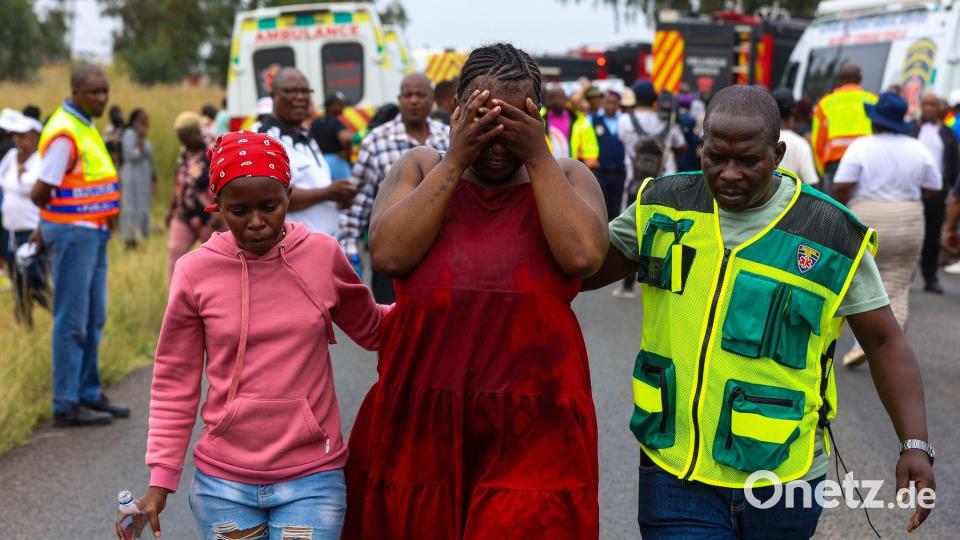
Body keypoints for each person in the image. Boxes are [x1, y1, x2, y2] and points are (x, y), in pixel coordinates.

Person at [584, 85, 935, 538]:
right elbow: (582, 269)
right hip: (674, 472)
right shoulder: (662, 205)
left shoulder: (830, 234)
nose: (729, 174)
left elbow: (885, 342)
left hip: (784, 482)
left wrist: (915, 445)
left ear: (778, 153)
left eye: (748, 161)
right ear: (701, 146)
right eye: (715, 157)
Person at [343, 42, 607, 540]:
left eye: (513, 119)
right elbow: (392, 254)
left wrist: (538, 154)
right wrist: (457, 157)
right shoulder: (420, 167)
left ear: (537, 117)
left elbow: (582, 256)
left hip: (535, 417)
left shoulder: (566, 175)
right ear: (457, 112)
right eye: (483, 118)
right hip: (422, 410)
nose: (497, 138)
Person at [133, 131, 389, 540]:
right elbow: (174, 381)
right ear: (219, 207)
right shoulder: (194, 272)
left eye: (269, 207)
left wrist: (438, 303)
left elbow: (375, 329)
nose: (255, 223)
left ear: (288, 195)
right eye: (238, 211)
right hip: (222, 485)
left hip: (313, 478)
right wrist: (161, 480)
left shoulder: (322, 255)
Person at [30, 63, 129, 427]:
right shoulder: (65, 133)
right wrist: (54, 221)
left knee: (93, 316)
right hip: (73, 233)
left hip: (91, 231)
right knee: (71, 320)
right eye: (94, 92)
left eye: (105, 91)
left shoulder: (83, 123)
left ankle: (88, 391)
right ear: (76, 91)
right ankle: (66, 403)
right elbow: (40, 192)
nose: (102, 98)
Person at [833, 92, 942, 366]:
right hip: (908, 218)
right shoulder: (918, 148)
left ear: (875, 121)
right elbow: (933, 186)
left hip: (867, 215)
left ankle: (863, 341)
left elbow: (842, 184)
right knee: (898, 282)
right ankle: (886, 339)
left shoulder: (862, 146)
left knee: (859, 280)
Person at [338, 73, 450, 303]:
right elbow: (361, 199)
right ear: (399, 99)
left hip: (441, 252)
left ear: (432, 100)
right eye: (408, 95)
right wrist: (349, 251)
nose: (414, 100)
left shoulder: (448, 136)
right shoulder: (377, 140)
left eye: (420, 95)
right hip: (392, 250)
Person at [259, 67, 359, 236]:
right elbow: (271, 197)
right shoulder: (265, 140)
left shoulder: (306, 135)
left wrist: (339, 197)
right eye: (290, 91)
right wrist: (327, 193)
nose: (300, 97)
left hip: (328, 244)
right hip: (297, 251)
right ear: (273, 95)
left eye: (305, 91)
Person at [0, 112, 49, 326]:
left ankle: (58, 312)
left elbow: (30, 187)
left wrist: (20, 174)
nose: (20, 142)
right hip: (10, 230)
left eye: (25, 137)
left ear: (36, 137)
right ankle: (24, 323)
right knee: (16, 280)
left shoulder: (41, 160)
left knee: (34, 279)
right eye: (17, 137)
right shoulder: (11, 157)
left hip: (30, 231)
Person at [165, 111, 223, 283]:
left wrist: (220, 212)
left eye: (186, 138)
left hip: (210, 215)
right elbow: (181, 181)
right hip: (184, 213)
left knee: (216, 261)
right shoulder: (185, 150)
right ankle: (177, 303)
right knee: (175, 254)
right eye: (180, 138)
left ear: (197, 133)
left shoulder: (214, 148)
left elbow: (226, 180)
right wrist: (171, 208)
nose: (183, 142)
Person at [912, 92, 959, 294]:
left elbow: (954, 164)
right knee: (911, 236)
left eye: (934, 104)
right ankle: (905, 277)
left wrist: (950, 188)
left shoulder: (948, 133)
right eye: (926, 104)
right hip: (912, 191)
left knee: (932, 236)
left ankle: (930, 277)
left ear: (941, 108)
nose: (929, 108)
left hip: (937, 193)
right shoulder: (912, 130)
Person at [811, 63, 878, 193]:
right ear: (860, 79)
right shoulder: (873, 100)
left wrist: (822, 169)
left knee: (835, 210)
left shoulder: (825, 103)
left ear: (840, 79)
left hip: (835, 166)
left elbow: (817, 143)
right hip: (866, 163)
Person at [618, 80, 686, 177]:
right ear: (654, 98)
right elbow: (681, 146)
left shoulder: (624, 120)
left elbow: (621, 140)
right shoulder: (668, 119)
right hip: (665, 178)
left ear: (635, 97)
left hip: (635, 179)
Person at [119, 108, 155, 250]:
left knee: (140, 206)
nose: (146, 121)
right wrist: (140, 138)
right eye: (143, 119)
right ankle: (129, 241)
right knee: (130, 206)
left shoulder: (144, 136)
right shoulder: (129, 134)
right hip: (131, 175)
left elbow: (149, 154)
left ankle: (137, 239)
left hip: (142, 175)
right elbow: (132, 155)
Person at [541, 84, 599, 168]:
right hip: (546, 168)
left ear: (566, 99)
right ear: (547, 99)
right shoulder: (538, 117)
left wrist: (587, 165)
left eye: (561, 97)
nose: (557, 100)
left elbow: (590, 149)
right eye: (553, 97)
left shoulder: (580, 120)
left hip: (573, 169)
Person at [590, 90, 627, 221]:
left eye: (614, 103)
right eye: (607, 102)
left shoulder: (624, 121)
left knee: (617, 207)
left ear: (618, 105)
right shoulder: (593, 119)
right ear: (602, 103)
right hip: (601, 172)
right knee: (602, 206)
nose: (610, 106)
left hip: (619, 171)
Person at [773, 88, 820, 185]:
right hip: (793, 199)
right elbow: (811, 182)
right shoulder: (801, 144)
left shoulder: (762, 141)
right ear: (793, 112)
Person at [309, 92, 354, 182]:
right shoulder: (335, 123)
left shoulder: (316, 122)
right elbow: (346, 139)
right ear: (331, 106)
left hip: (320, 162)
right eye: (340, 104)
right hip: (337, 162)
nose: (343, 106)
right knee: (346, 192)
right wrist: (347, 151)